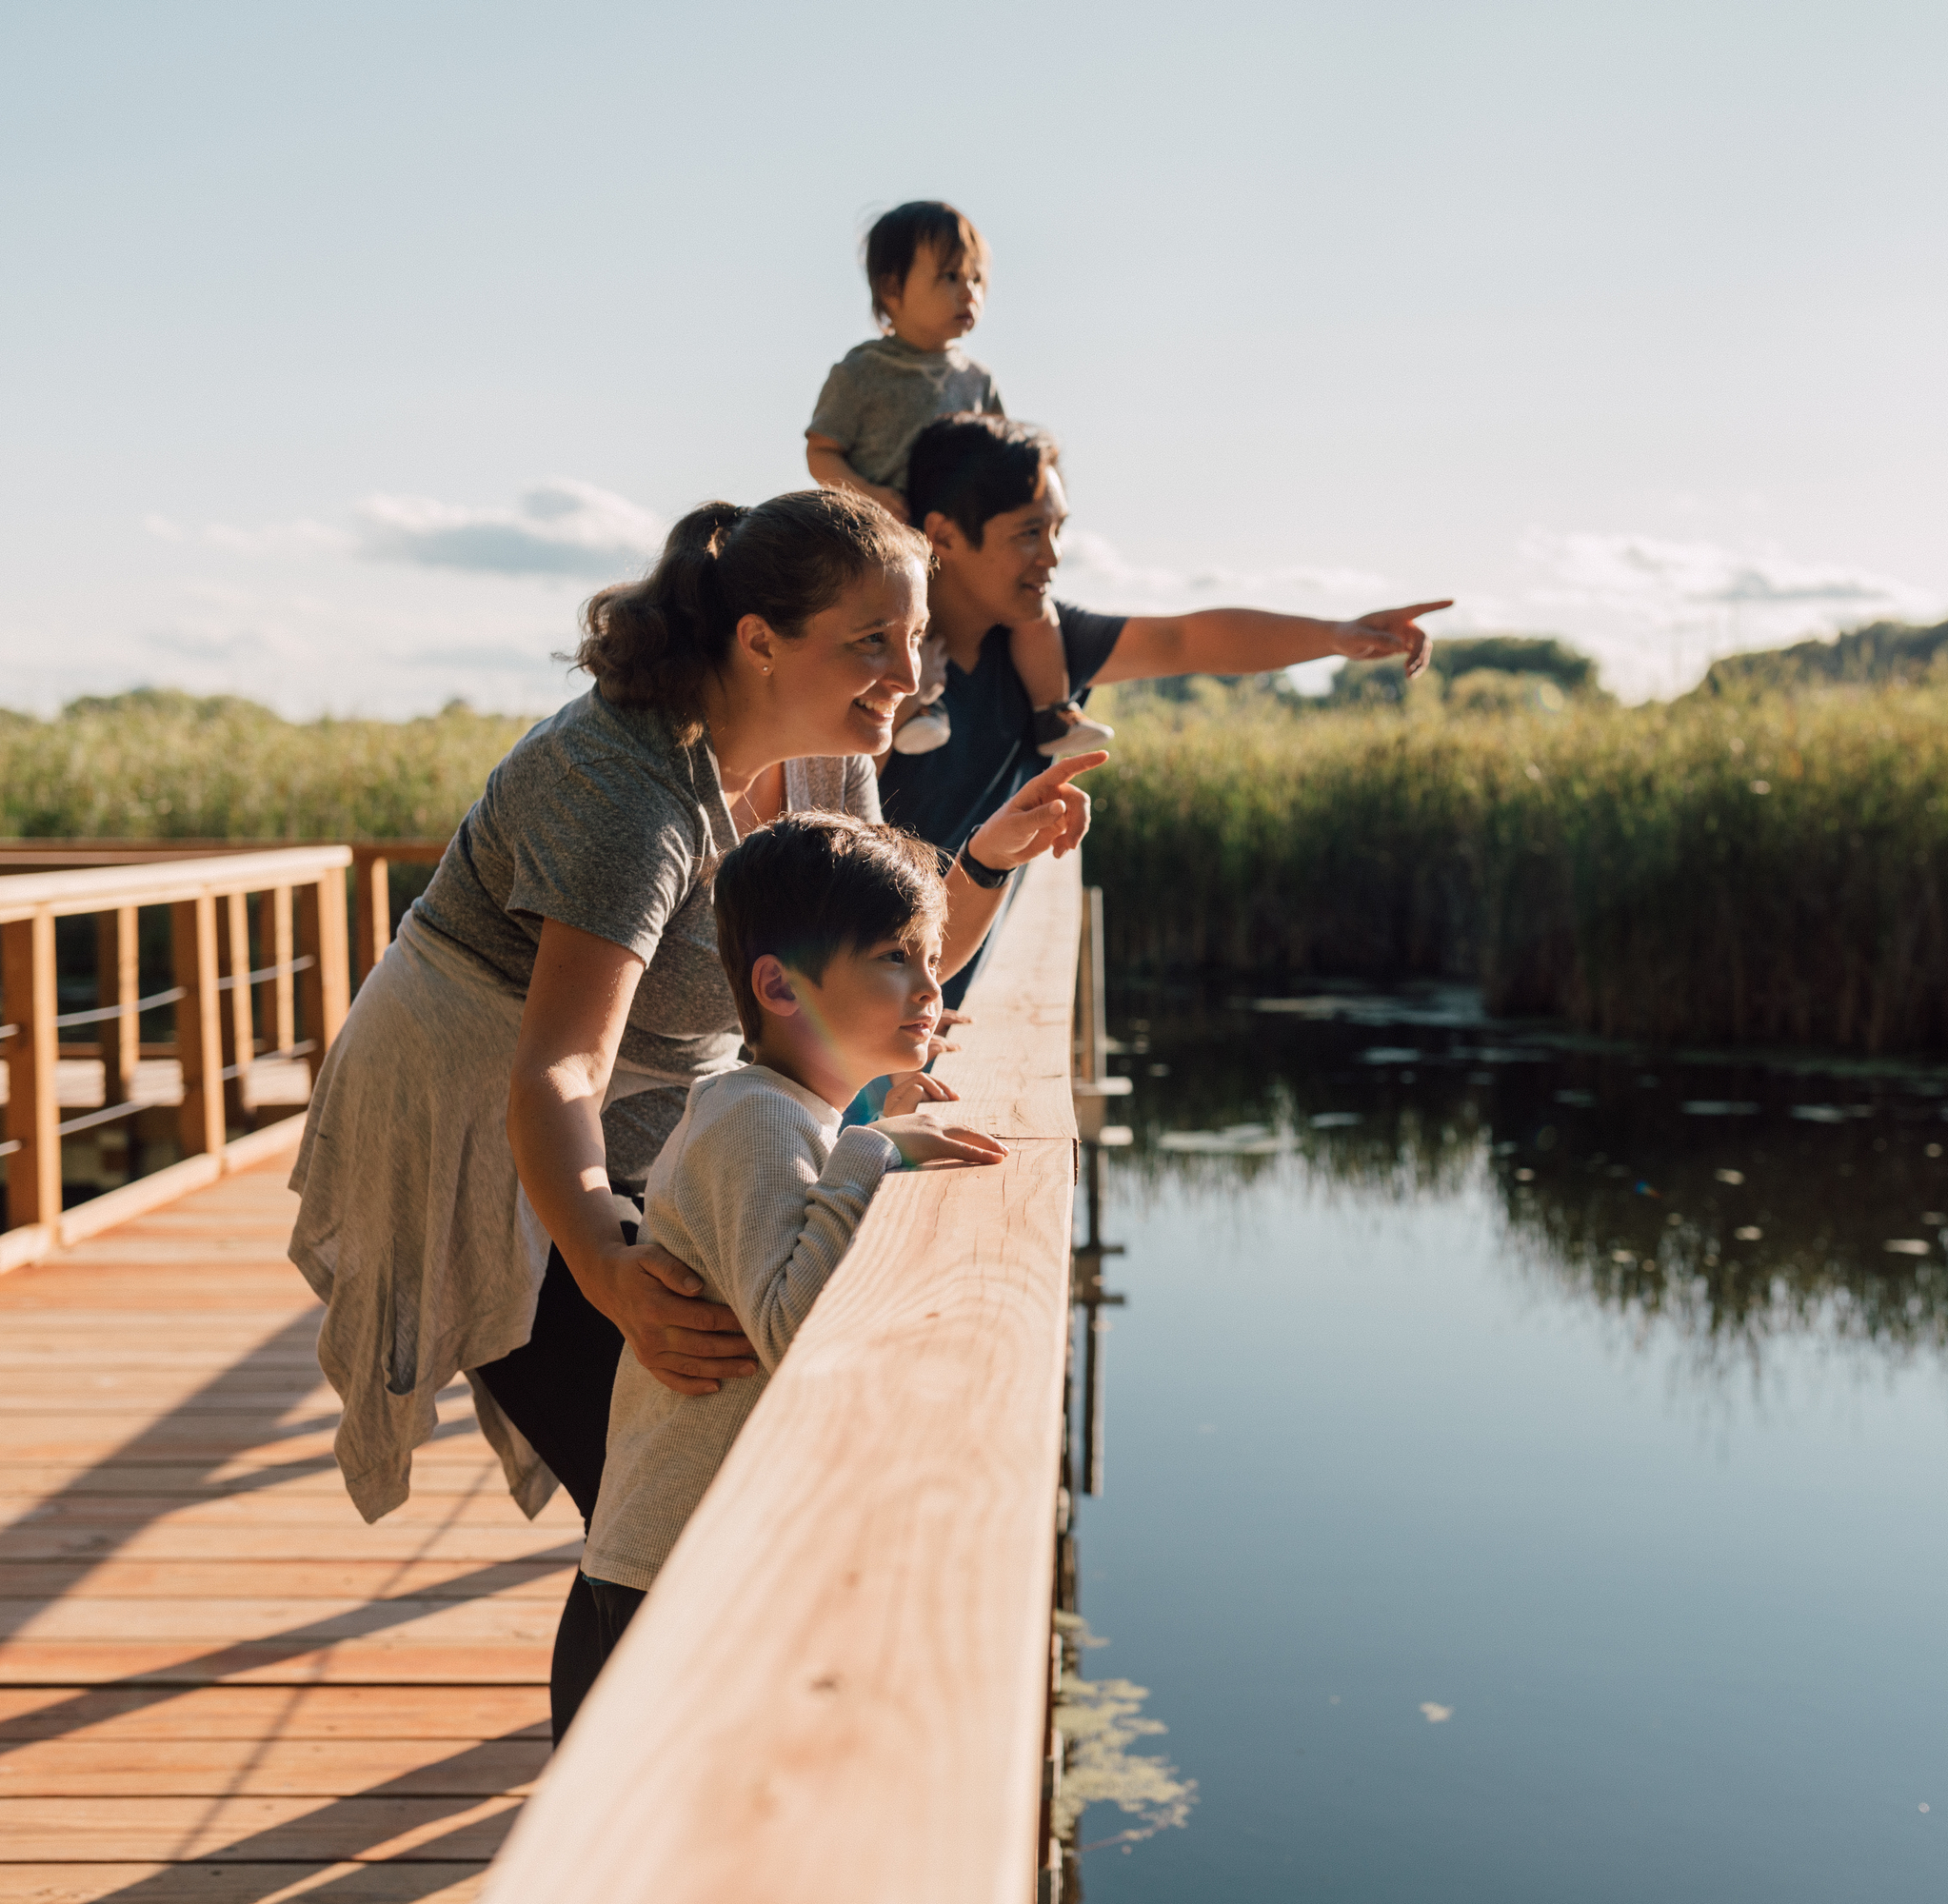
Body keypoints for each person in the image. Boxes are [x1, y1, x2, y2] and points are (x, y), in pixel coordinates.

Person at [287, 488, 1095, 1732]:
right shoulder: (622, 788)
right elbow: (556, 1069)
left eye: (915, 637)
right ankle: (612, 1796)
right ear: (761, 641)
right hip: (481, 1124)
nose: (909, 673)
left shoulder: (826, 750)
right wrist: (611, 1271)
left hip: (658, 1111)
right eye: (871, 641)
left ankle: (623, 1774)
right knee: (649, 1499)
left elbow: (858, 946)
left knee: (663, 1489)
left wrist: (980, 865)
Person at [563, 813, 1005, 1722]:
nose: (933, 985)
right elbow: (794, 1328)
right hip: (670, 1567)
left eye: (929, 957)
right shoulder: (756, 1119)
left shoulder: (783, 1109)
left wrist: (867, 1136)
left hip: (701, 1549)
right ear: (780, 987)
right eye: (894, 957)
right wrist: (874, 1148)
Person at [880, 411, 1450, 996]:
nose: (1052, 557)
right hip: (870, 1010)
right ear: (943, 535)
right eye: (1028, 533)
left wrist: (1334, 635)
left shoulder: (1046, 652)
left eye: (1057, 531)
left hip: (940, 1001)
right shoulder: (878, 673)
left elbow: (1186, 640)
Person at [802, 199, 1110, 762]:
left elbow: (1003, 457)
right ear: (891, 291)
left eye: (976, 279)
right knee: (905, 629)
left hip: (955, 537)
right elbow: (822, 453)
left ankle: (1054, 713)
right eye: (949, 277)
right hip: (886, 540)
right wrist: (870, 497)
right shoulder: (862, 372)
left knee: (1036, 614)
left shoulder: (978, 379)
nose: (969, 293)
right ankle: (920, 712)